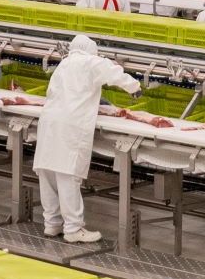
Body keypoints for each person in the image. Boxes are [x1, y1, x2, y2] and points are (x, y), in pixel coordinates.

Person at [32, 35, 138, 244]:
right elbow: (113, 72)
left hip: (49, 121)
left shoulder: (63, 64)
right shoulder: (91, 61)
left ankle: (51, 224)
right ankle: (73, 229)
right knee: (68, 176)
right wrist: (135, 87)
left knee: (48, 174)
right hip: (71, 125)